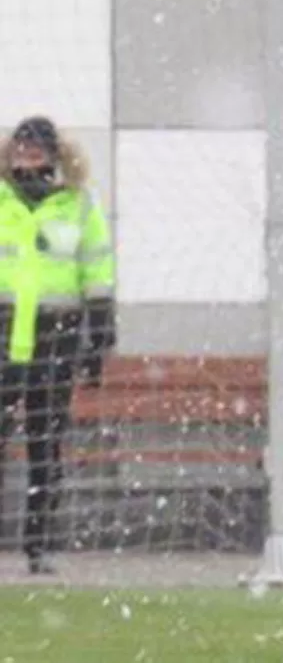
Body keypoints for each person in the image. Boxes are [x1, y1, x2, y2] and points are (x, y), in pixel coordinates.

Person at [0, 116, 116, 575]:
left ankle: (39, 544)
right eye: (20, 149)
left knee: (45, 446)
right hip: (4, 331)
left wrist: (99, 337)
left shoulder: (79, 206)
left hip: (56, 337)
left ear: (54, 155)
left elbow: (97, 271)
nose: (26, 157)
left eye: (35, 150)